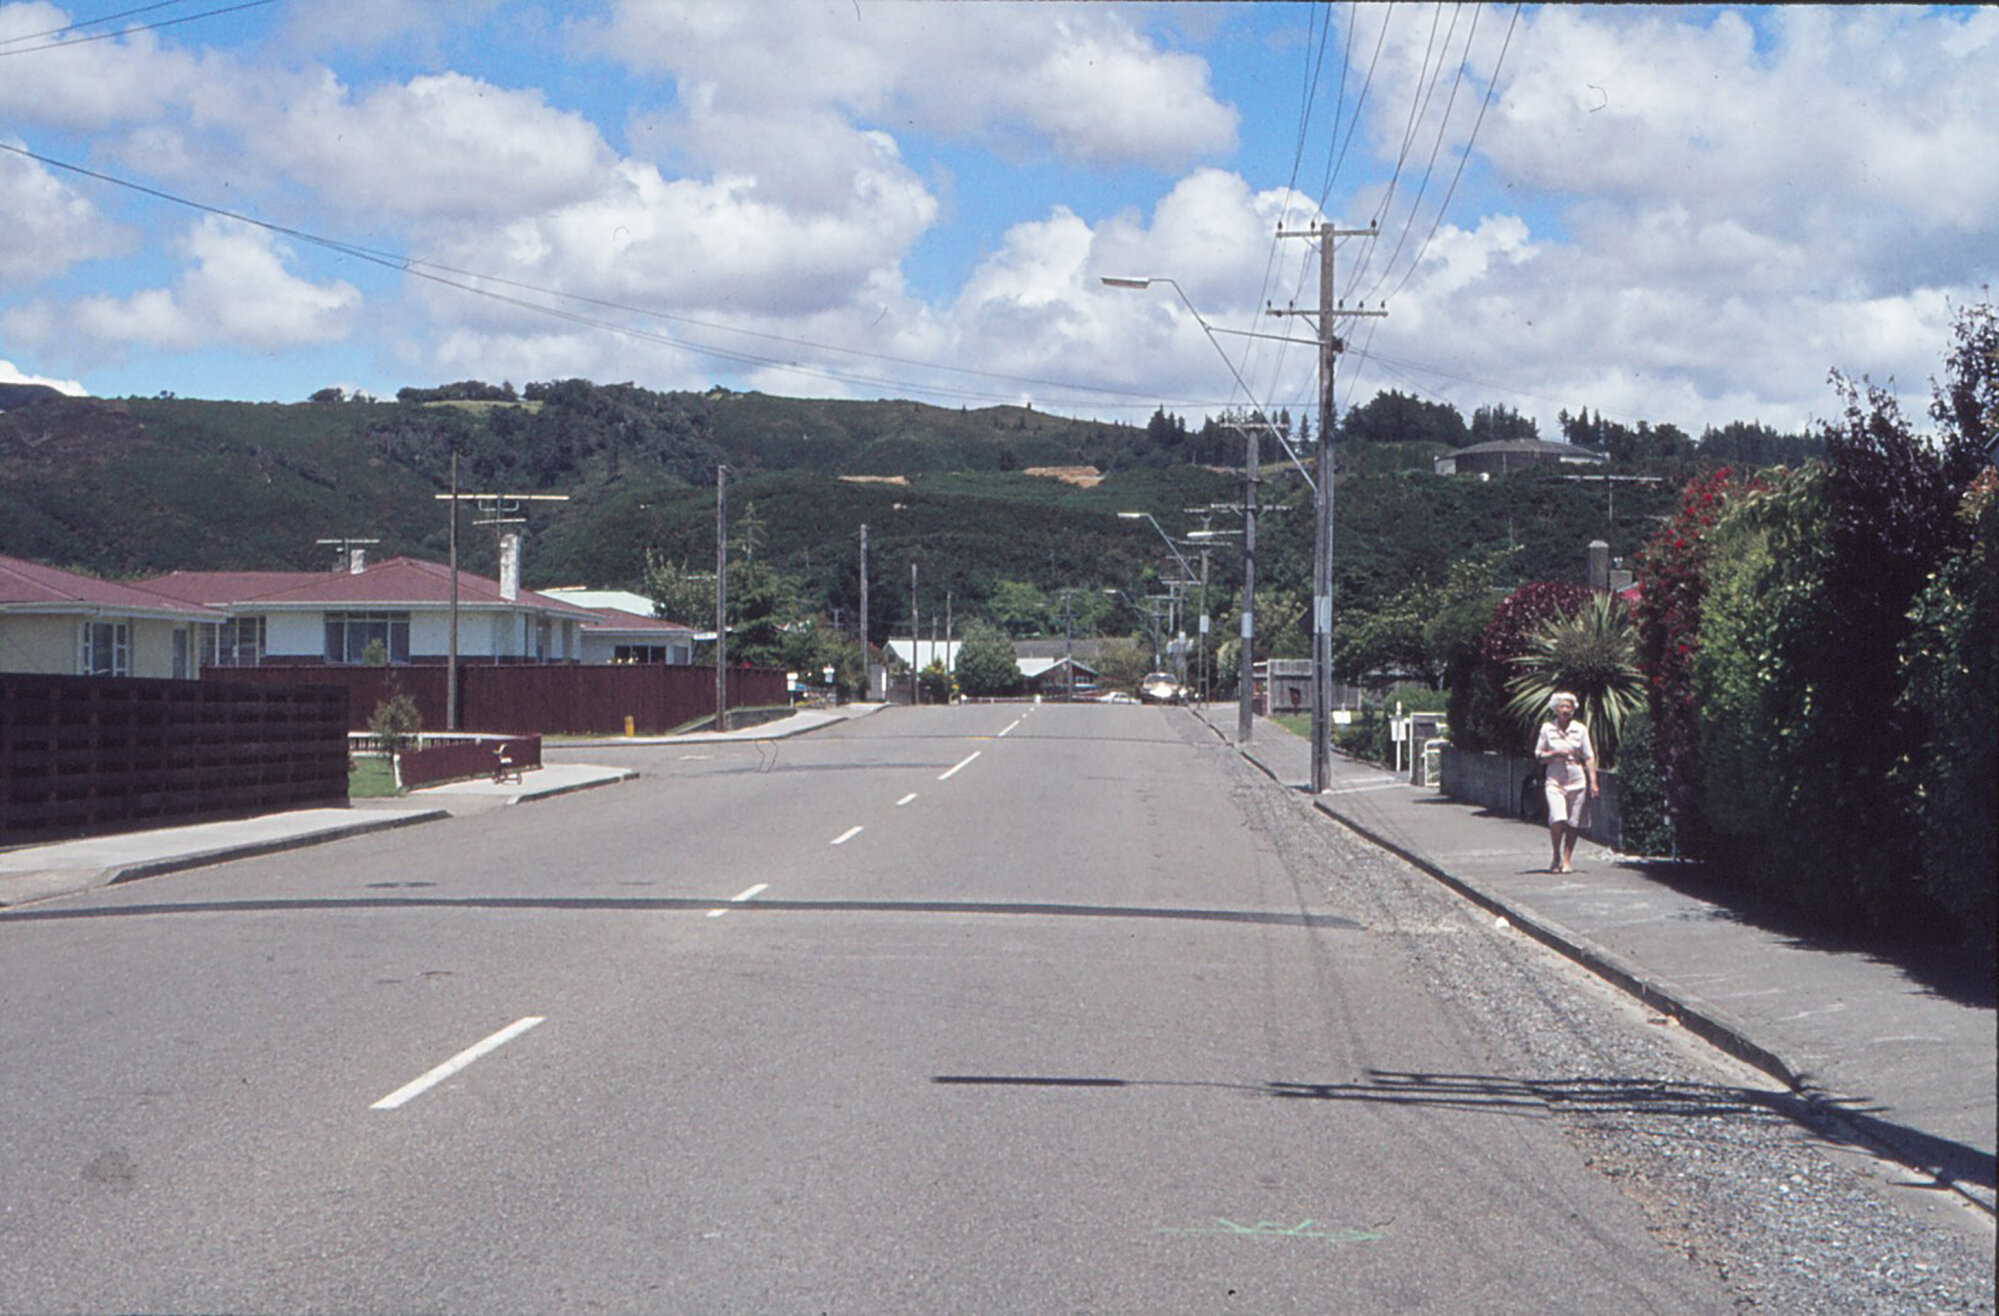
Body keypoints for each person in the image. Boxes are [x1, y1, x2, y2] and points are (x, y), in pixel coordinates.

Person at [1535, 691, 1598, 873]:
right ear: (1556, 709)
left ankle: (1566, 859)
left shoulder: (1580, 730)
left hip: (1577, 780)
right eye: (1562, 707)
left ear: (1572, 710)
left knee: (1572, 822)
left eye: (1568, 707)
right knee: (1558, 818)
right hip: (1554, 780)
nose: (1565, 710)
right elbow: (1538, 755)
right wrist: (1554, 754)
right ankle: (1555, 854)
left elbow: (1589, 757)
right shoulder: (1547, 729)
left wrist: (1593, 781)